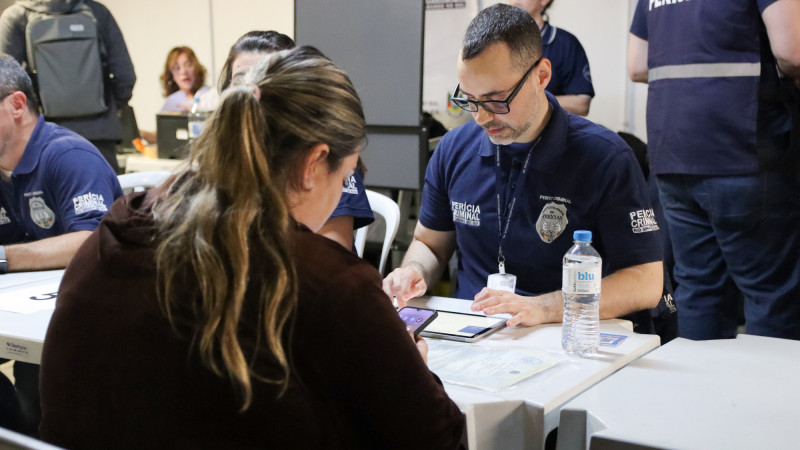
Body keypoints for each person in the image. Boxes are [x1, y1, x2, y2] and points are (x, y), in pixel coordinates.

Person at [38, 46, 465, 448]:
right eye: (349, 174)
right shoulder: (321, 280)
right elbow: (439, 439)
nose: (342, 197)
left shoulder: (113, 235)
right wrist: (414, 368)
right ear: (314, 165)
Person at [383, 4, 663, 330]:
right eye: (470, 100)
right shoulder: (453, 150)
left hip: (566, 333)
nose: (482, 117)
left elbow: (645, 282)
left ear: (541, 76)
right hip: (473, 331)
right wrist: (414, 271)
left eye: (497, 100)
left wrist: (542, 308)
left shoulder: (605, 158)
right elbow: (430, 244)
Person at [627, 0, 800, 340]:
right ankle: (767, 394)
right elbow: (793, 50)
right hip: (743, 150)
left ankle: (706, 393)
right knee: (771, 294)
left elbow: (636, 65)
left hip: (674, 151)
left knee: (699, 289)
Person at [0, 55, 123, 436]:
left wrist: (5, 258)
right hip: (23, 321)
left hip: (84, 333)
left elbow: (92, 239)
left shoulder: (68, 156)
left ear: (17, 105)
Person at [205, 30, 374, 250]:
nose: (255, 90)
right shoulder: (219, 160)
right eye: (241, 80)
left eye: (267, 78)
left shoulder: (330, 163)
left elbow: (331, 258)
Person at [0, 0, 137, 174]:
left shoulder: (17, 16)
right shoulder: (97, 12)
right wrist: (111, 107)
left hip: (40, 137)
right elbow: (125, 75)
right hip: (99, 136)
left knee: (46, 200)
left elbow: (6, 83)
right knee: (105, 199)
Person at [510, 0, 594, 116]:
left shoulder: (566, 43)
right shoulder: (498, 43)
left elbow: (581, 105)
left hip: (551, 130)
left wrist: (531, 100)